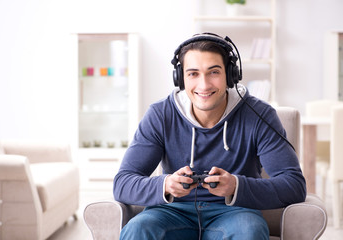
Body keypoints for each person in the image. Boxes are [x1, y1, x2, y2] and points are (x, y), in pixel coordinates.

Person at [113, 32, 306, 240]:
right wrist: (166, 184)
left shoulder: (259, 115)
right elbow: (123, 183)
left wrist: (236, 186)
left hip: (236, 212)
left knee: (249, 231)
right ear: (180, 78)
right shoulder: (160, 115)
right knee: (138, 229)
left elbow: (293, 185)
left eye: (213, 72)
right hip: (171, 212)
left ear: (230, 75)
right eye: (193, 74)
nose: (204, 85)